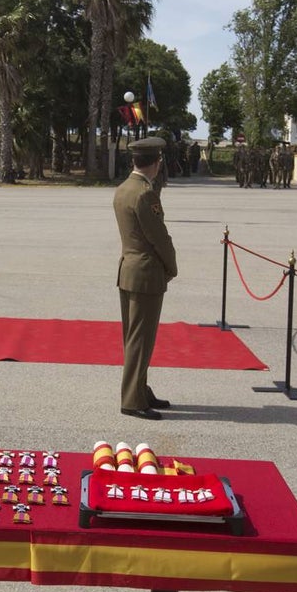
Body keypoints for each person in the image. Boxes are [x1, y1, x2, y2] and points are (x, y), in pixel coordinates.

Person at [113, 136, 177, 420]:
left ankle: (139, 389)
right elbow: (159, 238)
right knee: (141, 340)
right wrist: (171, 266)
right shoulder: (144, 194)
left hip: (129, 270)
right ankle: (132, 400)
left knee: (134, 337)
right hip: (147, 273)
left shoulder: (124, 188)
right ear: (156, 163)